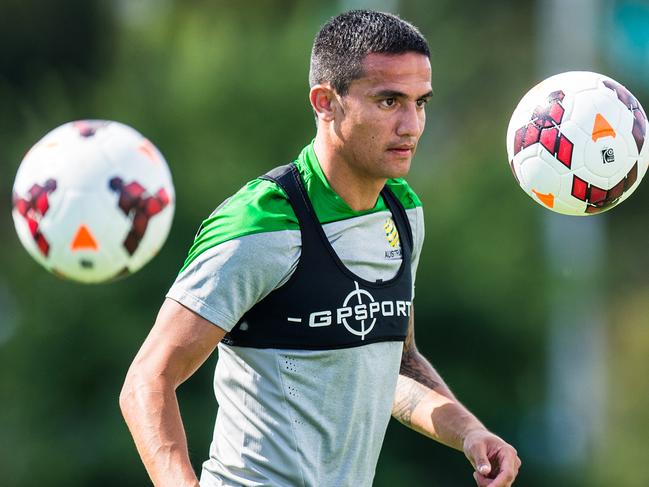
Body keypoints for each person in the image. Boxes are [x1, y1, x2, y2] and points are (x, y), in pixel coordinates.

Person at [119, 9, 521, 487]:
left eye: (421, 102)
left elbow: (394, 361)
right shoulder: (260, 223)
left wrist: (471, 433)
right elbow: (148, 380)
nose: (411, 125)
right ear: (326, 102)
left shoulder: (402, 211)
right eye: (389, 101)